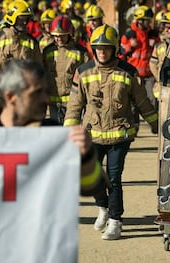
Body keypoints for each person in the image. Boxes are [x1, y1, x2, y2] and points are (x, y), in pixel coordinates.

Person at [63, 24, 158, 240]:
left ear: (114, 49)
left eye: (106, 48)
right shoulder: (83, 72)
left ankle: (116, 220)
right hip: (92, 134)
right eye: (98, 48)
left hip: (119, 135)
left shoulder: (128, 72)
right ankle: (103, 208)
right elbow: (75, 104)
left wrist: (156, 123)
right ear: (93, 49)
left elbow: (142, 101)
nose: (102, 52)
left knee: (114, 177)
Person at [0, 58, 106, 196]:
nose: (46, 100)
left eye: (45, 92)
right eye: (36, 93)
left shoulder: (53, 134)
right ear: (11, 97)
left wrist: (85, 157)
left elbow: (93, 187)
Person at [0, 0, 42, 116]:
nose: (25, 23)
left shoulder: (32, 42)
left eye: (27, 19)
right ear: (12, 18)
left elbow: (38, 70)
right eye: (22, 19)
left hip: (23, 98)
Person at [43, 15, 90, 124]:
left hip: (73, 104)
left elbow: (87, 77)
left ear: (70, 34)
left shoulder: (80, 52)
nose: (59, 39)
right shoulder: (47, 51)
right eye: (56, 36)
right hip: (53, 103)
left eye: (62, 36)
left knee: (70, 135)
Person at [149, 10, 170, 103]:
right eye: (164, 27)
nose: (166, 30)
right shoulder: (159, 46)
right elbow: (152, 65)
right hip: (162, 90)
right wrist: (160, 79)